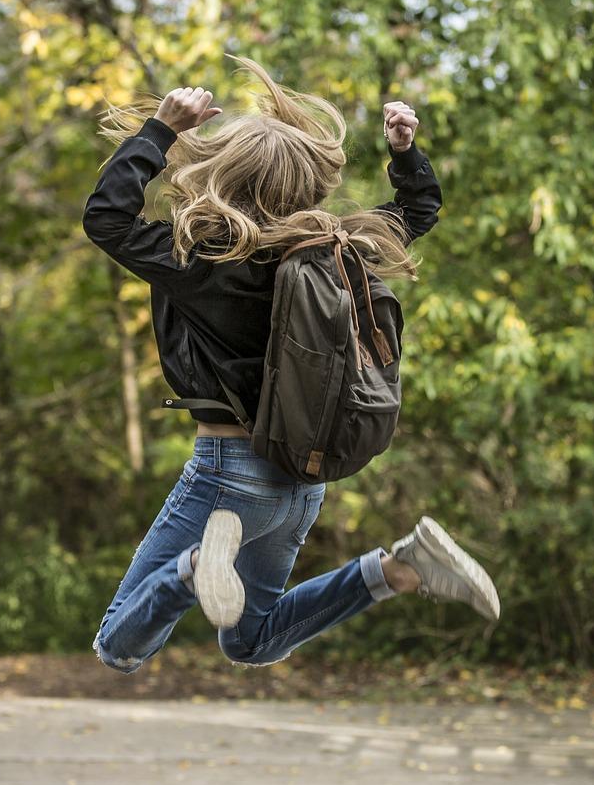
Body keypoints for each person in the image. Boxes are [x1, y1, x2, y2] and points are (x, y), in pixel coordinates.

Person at [82, 57, 498, 673]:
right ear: (304, 181)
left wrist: (161, 130)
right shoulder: (336, 251)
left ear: (224, 172)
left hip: (228, 475)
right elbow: (417, 212)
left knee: (117, 646)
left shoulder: (198, 258)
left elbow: (106, 219)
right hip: (301, 480)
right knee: (250, 641)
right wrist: (405, 154)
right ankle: (399, 569)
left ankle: (194, 568)